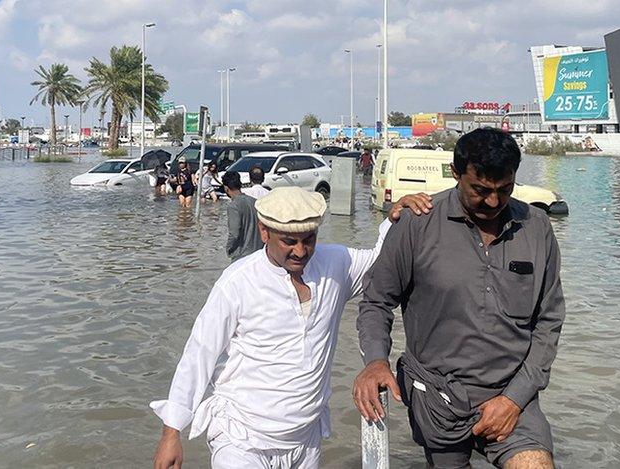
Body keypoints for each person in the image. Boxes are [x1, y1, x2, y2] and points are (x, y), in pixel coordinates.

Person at [151, 187, 432, 469]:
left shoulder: (335, 263)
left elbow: (380, 263)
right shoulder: (237, 283)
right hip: (242, 438)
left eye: (308, 240)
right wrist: (171, 433)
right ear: (264, 232)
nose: (300, 251)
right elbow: (199, 354)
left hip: (305, 439)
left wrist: (396, 218)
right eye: (289, 241)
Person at [355, 128, 565, 469]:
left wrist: (513, 400)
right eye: (480, 190)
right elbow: (376, 301)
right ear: (455, 172)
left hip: (513, 394)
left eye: (504, 190)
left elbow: (549, 320)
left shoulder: (536, 226)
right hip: (437, 397)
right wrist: (376, 361)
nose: (493, 202)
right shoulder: (416, 223)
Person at [222, 171, 263, 261]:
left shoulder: (233, 206)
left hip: (242, 256)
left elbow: (234, 233)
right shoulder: (255, 202)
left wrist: (228, 249)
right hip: (259, 253)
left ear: (226, 188)